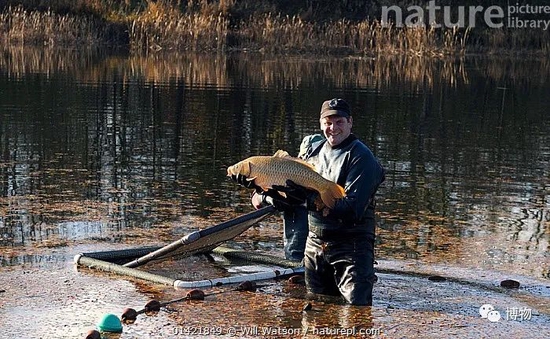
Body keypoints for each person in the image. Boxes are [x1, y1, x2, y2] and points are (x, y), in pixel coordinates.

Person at [234, 98, 385, 306]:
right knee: (316, 311)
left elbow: (352, 210)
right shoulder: (313, 153)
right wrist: (260, 189)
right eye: (328, 122)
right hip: (315, 246)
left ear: (350, 122)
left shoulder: (362, 158)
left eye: (339, 122)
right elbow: (291, 198)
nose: (333, 128)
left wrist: (308, 199)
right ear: (321, 123)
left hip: (352, 249)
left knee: (356, 314)